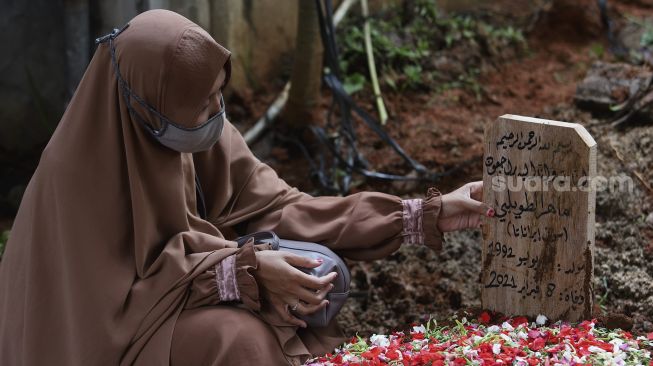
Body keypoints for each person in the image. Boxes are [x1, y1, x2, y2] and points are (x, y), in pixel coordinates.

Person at [0, 9, 493, 366]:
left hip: (173, 301)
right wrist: (239, 273)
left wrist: (424, 214)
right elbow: (107, 308)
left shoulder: (201, 133)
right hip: (99, 340)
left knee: (306, 309)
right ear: (148, 108)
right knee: (238, 340)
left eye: (220, 95)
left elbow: (282, 208)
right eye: (201, 102)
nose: (216, 113)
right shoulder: (75, 177)